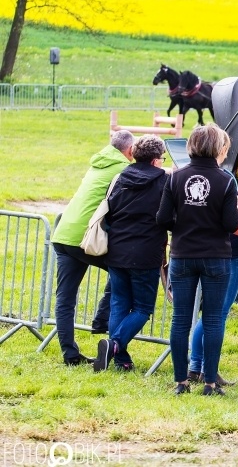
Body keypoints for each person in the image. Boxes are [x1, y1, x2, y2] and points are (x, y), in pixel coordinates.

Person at [157, 124, 238, 396]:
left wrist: (185, 222)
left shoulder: (175, 178)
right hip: (216, 256)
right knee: (214, 319)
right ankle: (210, 383)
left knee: (180, 320)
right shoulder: (226, 179)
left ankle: (181, 382)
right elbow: (231, 222)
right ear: (220, 148)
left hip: (182, 254)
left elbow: (163, 219)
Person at [51, 130, 134, 366]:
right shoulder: (122, 168)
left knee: (65, 298)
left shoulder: (98, 162)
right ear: (129, 151)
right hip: (85, 238)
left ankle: (70, 353)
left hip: (63, 233)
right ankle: (102, 319)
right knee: (123, 271)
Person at [94, 135, 169, 373]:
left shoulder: (120, 177)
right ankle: (115, 345)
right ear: (157, 160)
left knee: (119, 303)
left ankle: (120, 359)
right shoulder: (165, 181)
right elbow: (168, 216)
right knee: (143, 308)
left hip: (117, 249)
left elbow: (110, 209)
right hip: (146, 253)